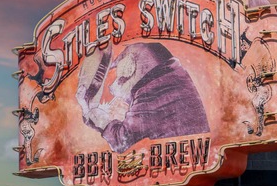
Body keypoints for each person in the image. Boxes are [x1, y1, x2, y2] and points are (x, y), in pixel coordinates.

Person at [76, 42, 210, 153]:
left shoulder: (152, 93)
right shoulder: (173, 77)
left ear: (132, 69)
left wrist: (94, 115)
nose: (116, 84)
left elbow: (122, 140)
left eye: (121, 78)